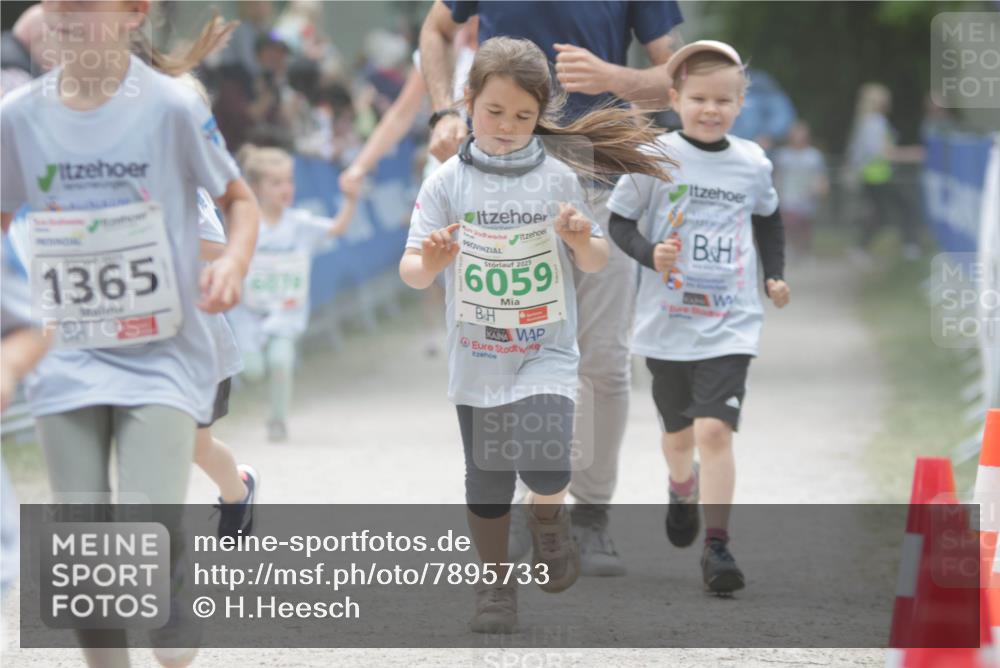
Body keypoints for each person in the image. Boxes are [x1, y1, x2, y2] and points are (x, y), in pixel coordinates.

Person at [0, 3, 260, 666]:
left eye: (81, 4)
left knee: (145, 526)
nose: (60, 15)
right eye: (53, 3)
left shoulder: (170, 107)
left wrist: (230, 261)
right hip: (66, 355)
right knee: (85, 544)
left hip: (161, 355)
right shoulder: (18, 117)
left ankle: (170, 572)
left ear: (132, 13)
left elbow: (239, 200)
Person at [400, 36, 672, 633]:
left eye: (523, 116)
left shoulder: (557, 177)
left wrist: (580, 239)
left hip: (545, 349)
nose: (506, 126)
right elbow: (412, 270)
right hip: (478, 357)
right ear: (468, 102)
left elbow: (597, 260)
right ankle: (495, 588)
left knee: (549, 463)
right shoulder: (447, 181)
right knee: (489, 484)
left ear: (541, 116)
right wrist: (436, 259)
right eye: (494, 111)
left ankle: (551, 523)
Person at [606, 40, 790, 595]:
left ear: (740, 104)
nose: (711, 110)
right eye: (699, 98)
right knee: (679, 436)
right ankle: (680, 486)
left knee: (715, 430)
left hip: (730, 321)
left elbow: (769, 220)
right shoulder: (652, 155)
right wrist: (649, 253)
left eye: (724, 101)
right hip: (665, 324)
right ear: (675, 97)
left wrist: (773, 275)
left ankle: (717, 546)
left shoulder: (752, 162)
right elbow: (619, 223)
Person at [227, 145, 355, 443]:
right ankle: (260, 388)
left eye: (289, 181)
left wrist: (351, 199)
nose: (286, 189)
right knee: (254, 371)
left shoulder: (300, 223)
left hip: (285, 313)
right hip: (248, 314)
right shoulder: (244, 223)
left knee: (281, 361)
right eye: (276, 183)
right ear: (256, 187)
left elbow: (337, 228)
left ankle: (278, 420)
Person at [845, 82, 924, 260]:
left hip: (878, 175)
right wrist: (913, 153)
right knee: (902, 208)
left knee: (881, 214)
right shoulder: (874, 123)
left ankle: (862, 248)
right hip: (877, 176)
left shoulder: (869, 122)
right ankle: (910, 246)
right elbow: (884, 152)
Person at [774, 120, 828, 257]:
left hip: (807, 198)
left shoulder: (814, 156)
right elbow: (778, 177)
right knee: (789, 225)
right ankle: (791, 249)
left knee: (804, 227)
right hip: (788, 198)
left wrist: (821, 189)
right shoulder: (783, 155)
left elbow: (820, 176)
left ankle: (804, 251)